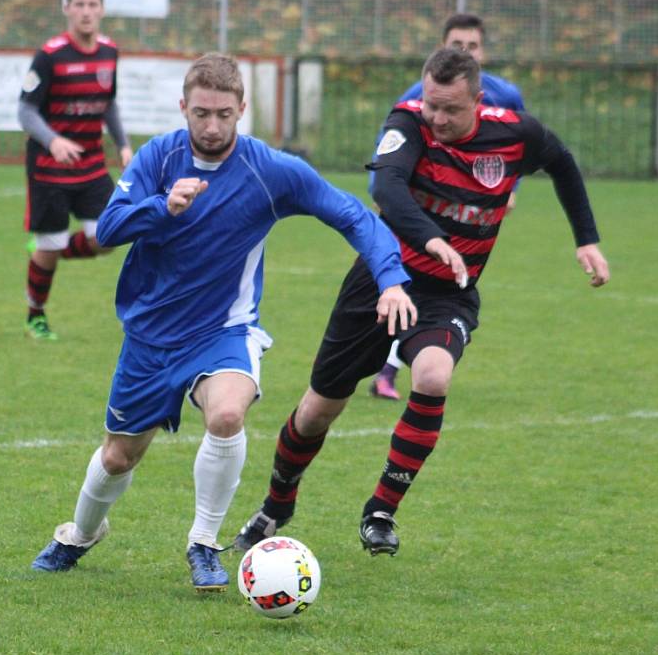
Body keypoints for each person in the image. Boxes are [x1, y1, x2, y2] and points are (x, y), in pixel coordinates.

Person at [30, 53, 416, 591]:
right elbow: (111, 227)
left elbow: (352, 214)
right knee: (119, 456)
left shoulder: (270, 170)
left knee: (228, 414)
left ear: (242, 110)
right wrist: (164, 206)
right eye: (202, 113)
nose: (213, 126)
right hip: (149, 337)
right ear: (183, 107)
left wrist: (391, 279)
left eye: (225, 115)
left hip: (223, 331)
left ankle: (203, 544)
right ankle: (80, 534)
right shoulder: (157, 158)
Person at [233, 47, 609, 557]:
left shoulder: (515, 134)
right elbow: (387, 188)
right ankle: (276, 504)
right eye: (431, 103)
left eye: (450, 109)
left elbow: (562, 163)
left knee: (433, 375)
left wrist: (585, 238)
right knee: (318, 409)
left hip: (445, 295)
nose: (437, 117)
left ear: (478, 99)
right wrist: (431, 239)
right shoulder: (409, 123)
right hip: (381, 279)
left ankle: (381, 511)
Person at [370, 12, 525, 399]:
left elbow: (519, 146)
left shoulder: (506, 95)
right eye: (457, 45)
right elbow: (388, 160)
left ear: (483, 50)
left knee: (441, 288)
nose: (466, 52)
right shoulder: (414, 96)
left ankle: (391, 367)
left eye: (472, 46)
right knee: (407, 285)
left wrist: (510, 189)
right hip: (417, 210)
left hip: (468, 216)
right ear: (442, 49)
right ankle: (384, 367)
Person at [19, 0, 133, 340]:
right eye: (79, 4)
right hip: (49, 169)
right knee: (48, 245)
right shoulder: (50, 55)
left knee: (110, 236)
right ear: (66, 8)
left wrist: (123, 144)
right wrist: (53, 140)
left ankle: (53, 250)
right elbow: (25, 111)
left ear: (101, 10)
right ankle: (35, 315)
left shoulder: (109, 52)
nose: (86, 12)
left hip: (91, 166)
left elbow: (108, 103)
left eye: (92, 5)